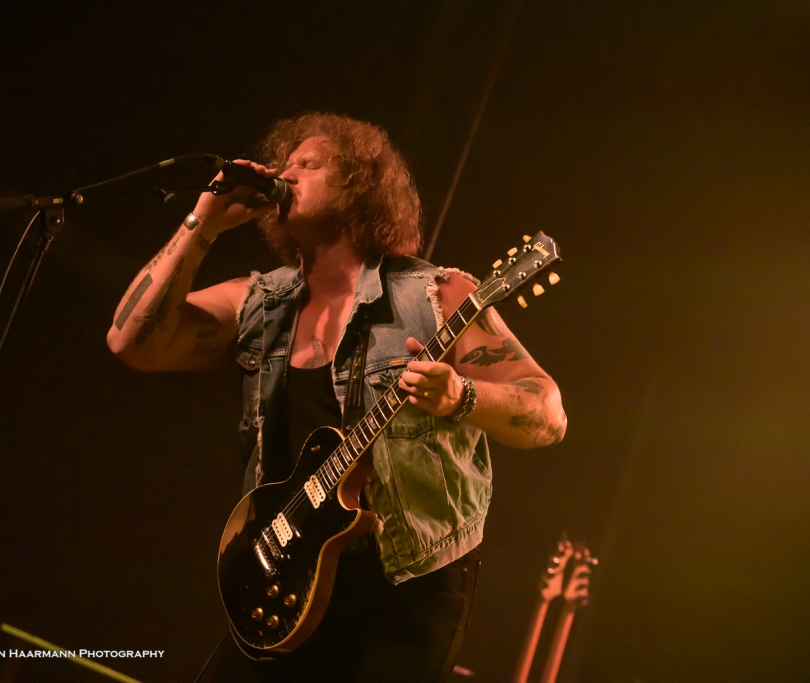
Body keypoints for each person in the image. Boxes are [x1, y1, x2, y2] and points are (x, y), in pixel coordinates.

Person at [106, 113, 567, 683]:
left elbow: (547, 412)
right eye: (284, 163)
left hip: (405, 587)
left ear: (359, 186)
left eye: (309, 163)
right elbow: (131, 342)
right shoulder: (259, 302)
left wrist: (461, 396)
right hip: (285, 576)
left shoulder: (435, 294)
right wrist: (202, 223)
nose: (285, 173)